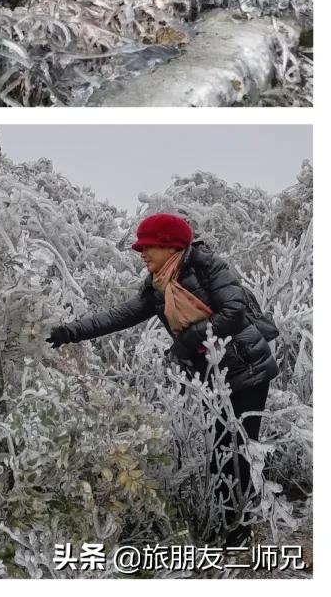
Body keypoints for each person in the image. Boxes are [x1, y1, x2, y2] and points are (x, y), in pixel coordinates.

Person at [48, 212, 278, 542]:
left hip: (248, 369)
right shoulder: (159, 284)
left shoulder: (208, 267)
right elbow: (119, 315)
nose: (142, 253)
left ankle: (239, 532)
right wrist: (71, 332)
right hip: (213, 375)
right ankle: (229, 524)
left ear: (170, 247)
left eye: (148, 247)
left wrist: (185, 343)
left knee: (237, 451)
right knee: (221, 453)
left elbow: (233, 312)